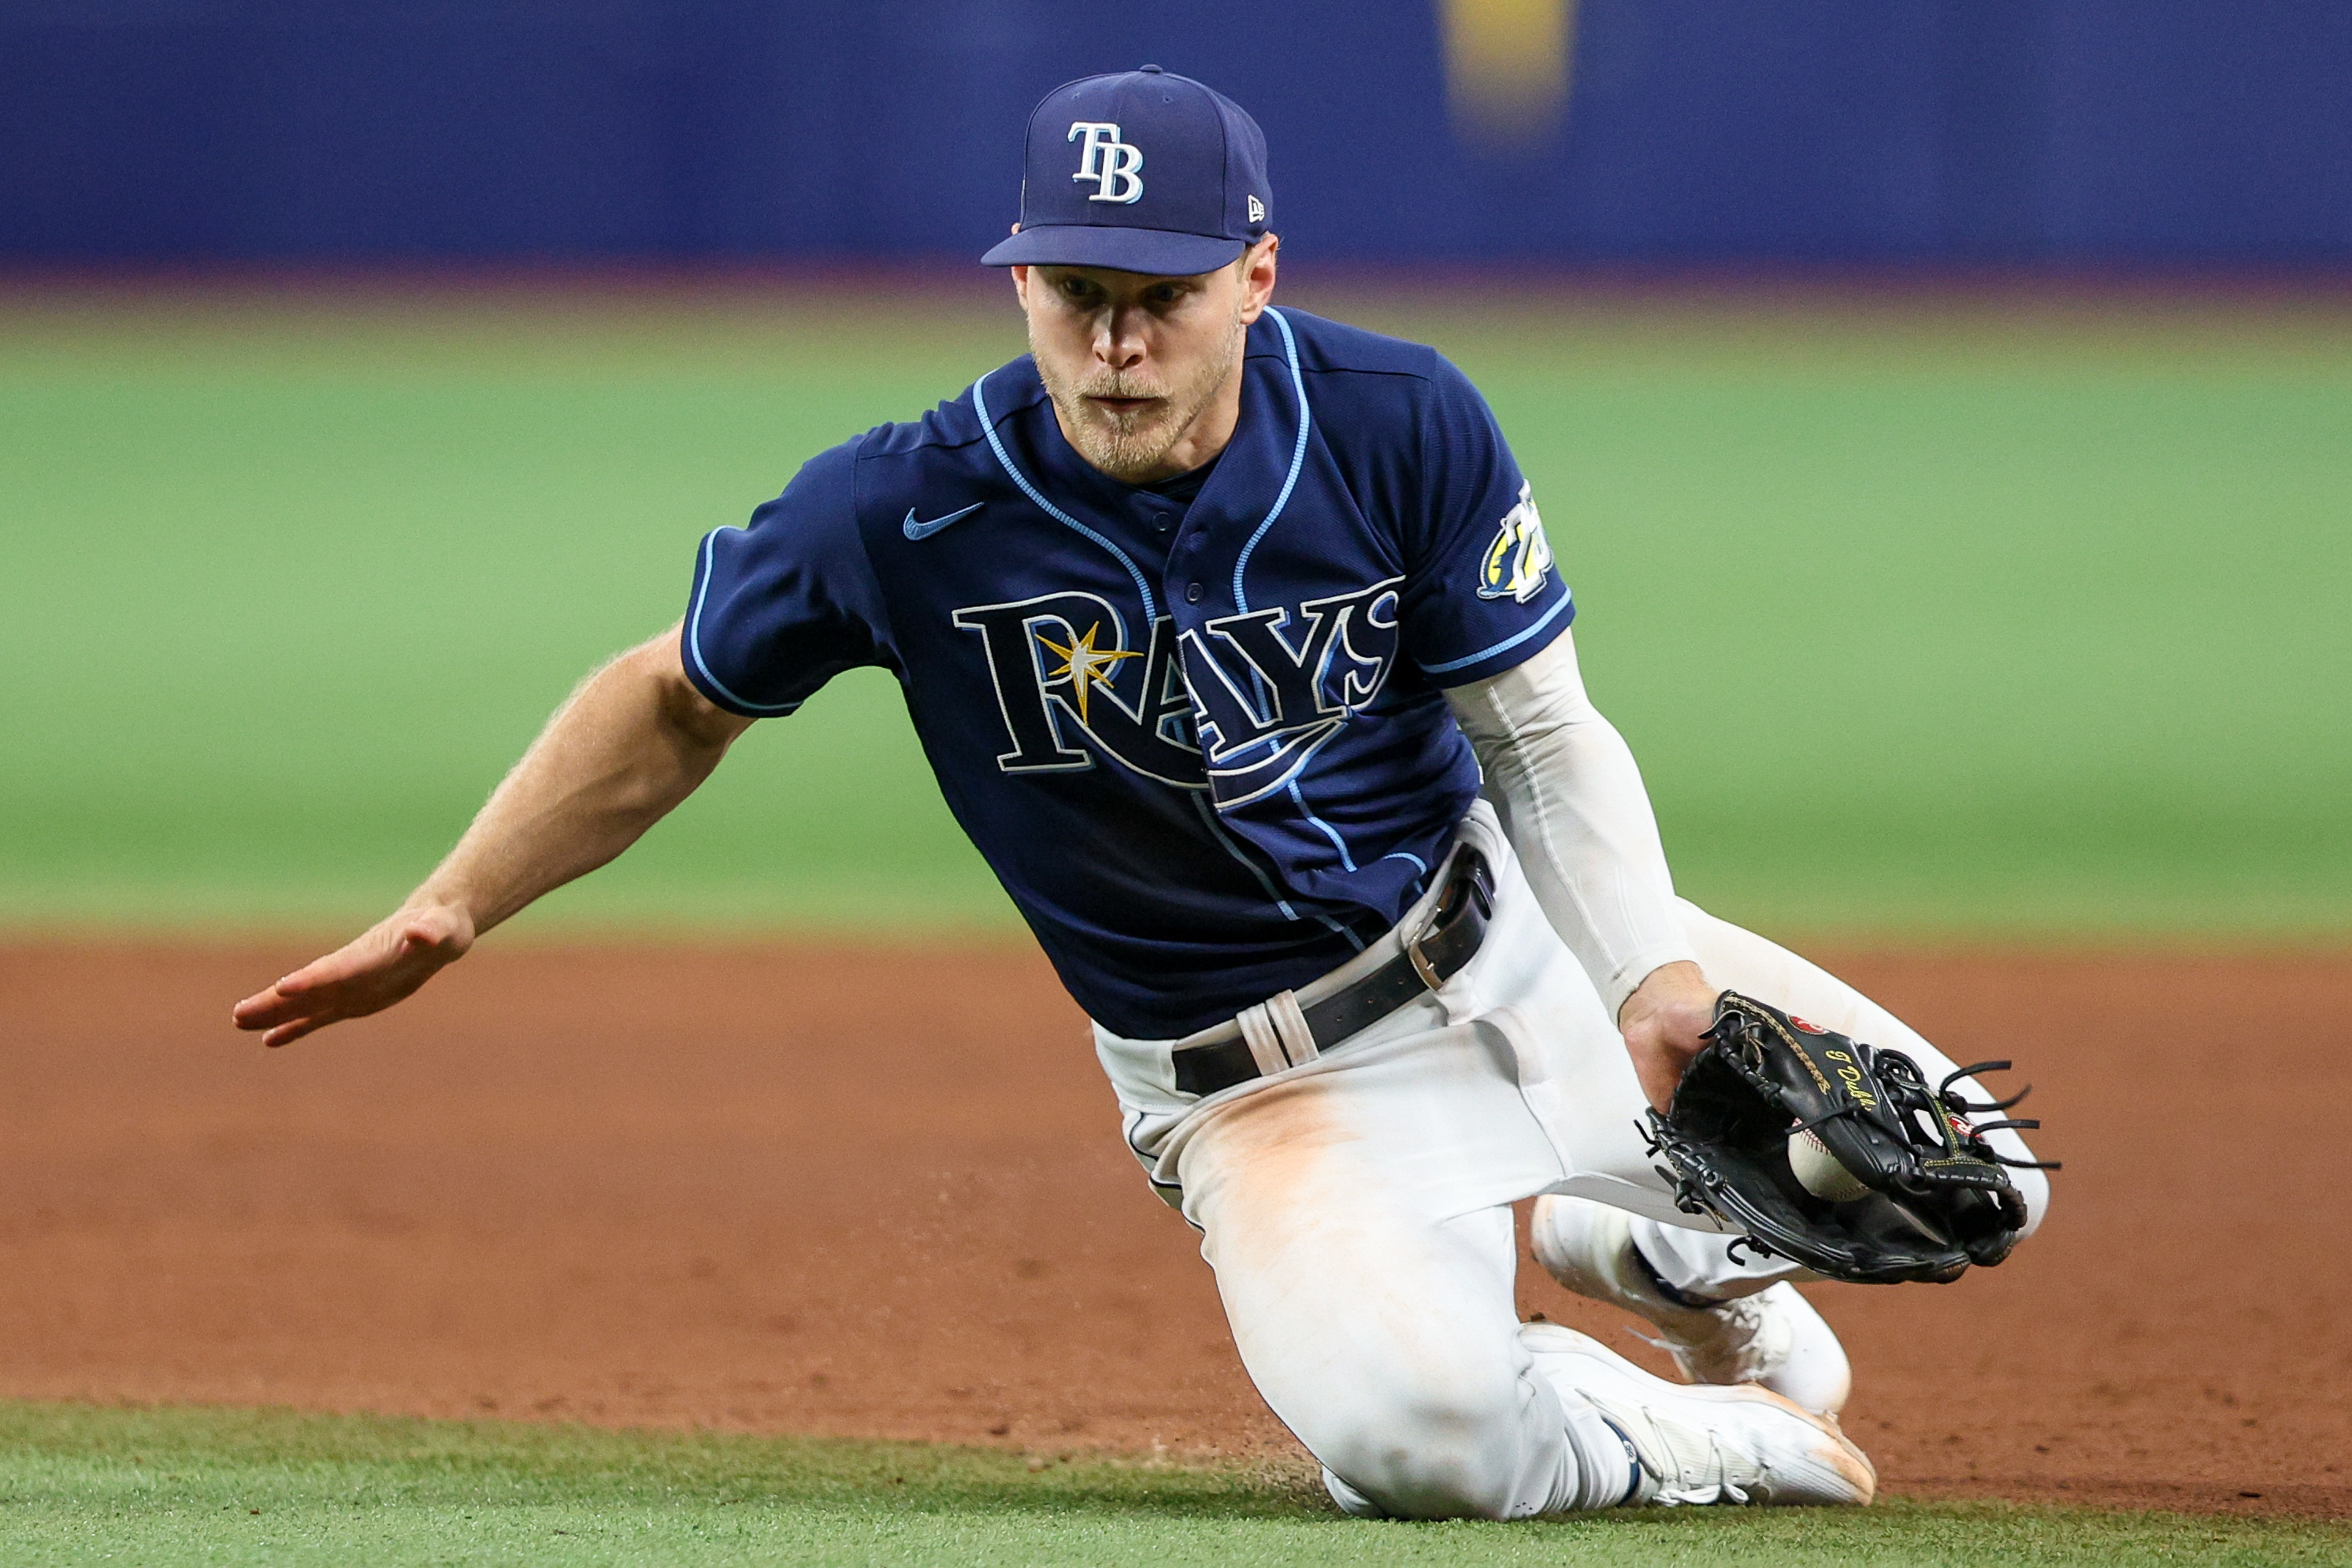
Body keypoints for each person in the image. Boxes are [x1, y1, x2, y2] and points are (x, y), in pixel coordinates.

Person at [233, 67, 2047, 1518]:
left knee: (1988, 1185)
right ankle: (1706, 1437)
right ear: (1020, 281)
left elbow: (1544, 733)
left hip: (1523, 956)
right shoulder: (902, 512)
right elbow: (672, 697)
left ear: (1254, 276)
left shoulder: (1399, 421)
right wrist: (454, 902)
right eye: (1075, 296)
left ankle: (1606, 1229)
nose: (1113, 343)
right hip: (1263, 1096)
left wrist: (1649, 977)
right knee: (1421, 1452)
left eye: (1158, 299)